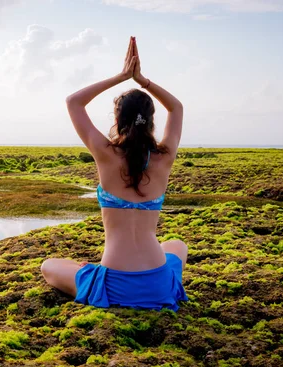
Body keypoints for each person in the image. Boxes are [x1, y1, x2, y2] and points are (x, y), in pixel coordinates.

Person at [41, 37, 188, 311]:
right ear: (151, 121)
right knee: (176, 245)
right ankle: (125, 277)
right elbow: (176, 108)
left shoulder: (105, 153)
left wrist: (122, 76)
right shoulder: (164, 157)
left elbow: (74, 102)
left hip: (114, 284)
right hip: (157, 282)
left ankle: (88, 271)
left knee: (48, 266)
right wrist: (142, 80)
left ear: (117, 119)